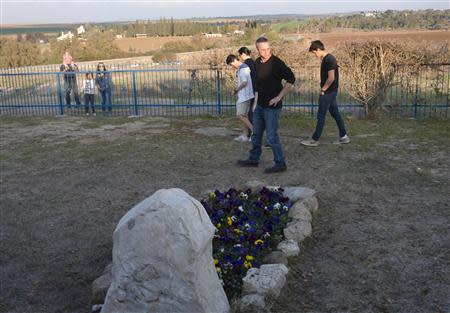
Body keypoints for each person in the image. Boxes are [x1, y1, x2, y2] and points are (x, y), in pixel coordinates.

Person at [237, 37, 295, 173]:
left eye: (268, 48)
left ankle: (280, 163)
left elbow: (291, 79)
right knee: (256, 134)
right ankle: (253, 159)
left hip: (272, 108)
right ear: (257, 50)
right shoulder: (257, 63)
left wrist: (279, 96)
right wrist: (255, 103)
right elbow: (257, 84)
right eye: (263, 49)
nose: (266, 51)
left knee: (271, 136)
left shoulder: (277, 63)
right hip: (259, 106)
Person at [301, 40, 350, 146]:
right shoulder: (326, 59)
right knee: (335, 113)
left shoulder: (329, 59)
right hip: (331, 92)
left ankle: (314, 140)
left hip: (328, 92)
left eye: (314, 53)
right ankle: (344, 136)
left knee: (321, 115)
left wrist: (323, 90)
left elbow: (331, 78)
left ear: (318, 49)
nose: (315, 55)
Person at [226, 54, 254, 142]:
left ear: (234, 60)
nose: (232, 66)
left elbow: (244, 83)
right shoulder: (241, 69)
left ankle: (255, 132)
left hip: (245, 96)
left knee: (240, 115)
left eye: (231, 64)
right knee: (244, 116)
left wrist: (236, 90)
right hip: (243, 95)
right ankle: (245, 135)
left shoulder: (243, 69)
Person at [238, 47, 257, 139]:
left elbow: (245, 80)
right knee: (251, 112)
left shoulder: (245, 65)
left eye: (240, 55)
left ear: (243, 54)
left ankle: (252, 133)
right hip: (256, 89)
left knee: (248, 113)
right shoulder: (253, 62)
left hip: (249, 91)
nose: (240, 57)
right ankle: (250, 133)